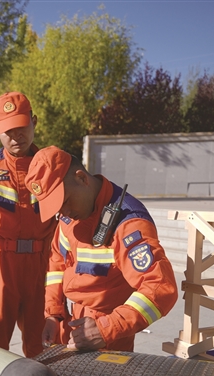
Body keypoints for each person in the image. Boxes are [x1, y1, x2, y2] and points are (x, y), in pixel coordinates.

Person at [25, 146, 178, 352]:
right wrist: (53, 314)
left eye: (65, 201)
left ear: (81, 178)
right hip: (74, 322)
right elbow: (57, 263)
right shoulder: (69, 217)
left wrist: (106, 329)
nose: (64, 212)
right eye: (57, 208)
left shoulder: (128, 223)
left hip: (109, 334)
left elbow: (161, 288)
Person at [0, 92, 57, 358]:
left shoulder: (53, 168)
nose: (16, 136)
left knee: (46, 349)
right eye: (8, 131)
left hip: (43, 267)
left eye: (22, 126)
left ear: (34, 122)